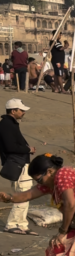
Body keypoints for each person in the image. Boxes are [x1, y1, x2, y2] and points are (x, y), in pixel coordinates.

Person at [0, 99, 36, 236]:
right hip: (17, 164)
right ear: (13, 111)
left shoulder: (10, 124)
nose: (24, 112)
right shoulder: (6, 125)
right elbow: (10, 147)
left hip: (19, 163)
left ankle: (21, 224)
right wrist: (28, 150)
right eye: (21, 110)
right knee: (23, 194)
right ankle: (12, 224)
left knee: (25, 194)